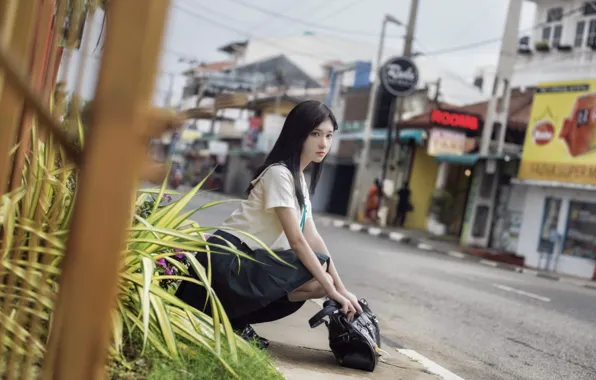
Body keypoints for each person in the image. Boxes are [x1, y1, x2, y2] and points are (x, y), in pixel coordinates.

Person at [175, 100, 363, 349]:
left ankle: (234, 322)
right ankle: (230, 321)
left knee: (318, 280)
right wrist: (333, 290)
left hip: (247, 261)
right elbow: (297, 241)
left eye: (329, 135)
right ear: (298, 133)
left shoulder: (297, 179)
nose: (323, 143)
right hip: (227, 260)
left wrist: (340, 289)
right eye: (315, 134)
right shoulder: (278, 173)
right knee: (318, 271)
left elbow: (313, 238)